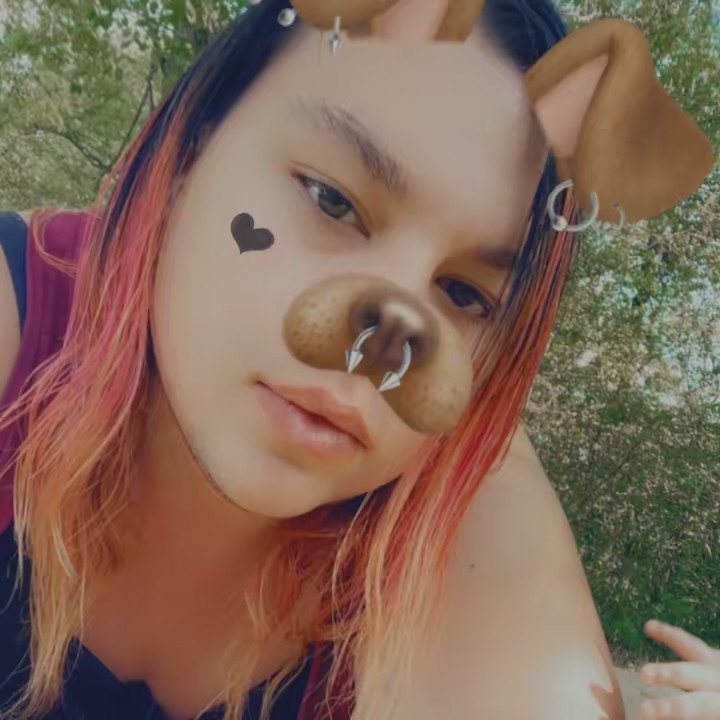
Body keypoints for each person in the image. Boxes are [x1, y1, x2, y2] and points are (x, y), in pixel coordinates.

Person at [0, 0, 712, 719]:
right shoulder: (24, 310)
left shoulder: (456, 476)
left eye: (463, 294)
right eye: (332, 201)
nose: (380, 347)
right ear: (191, 151)